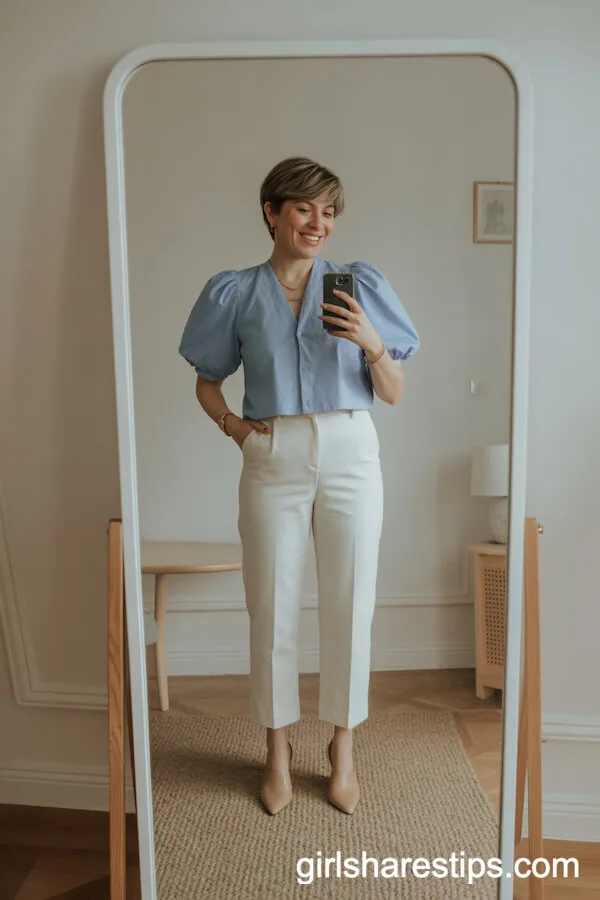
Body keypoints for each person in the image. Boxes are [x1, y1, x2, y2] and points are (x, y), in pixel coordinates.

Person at [178, 156, 420, 816]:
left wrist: (370, 341)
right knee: (272, 604)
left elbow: (394, 392)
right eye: (306, 208)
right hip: (273, 452)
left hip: (351, 448)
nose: (320, 223)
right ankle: (277, 749)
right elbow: (206, 378)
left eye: (330, 211)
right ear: (272, 212)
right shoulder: (234, 292)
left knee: (350, 602)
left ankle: (342, 747)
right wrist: (235, 428)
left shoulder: (359, 286)